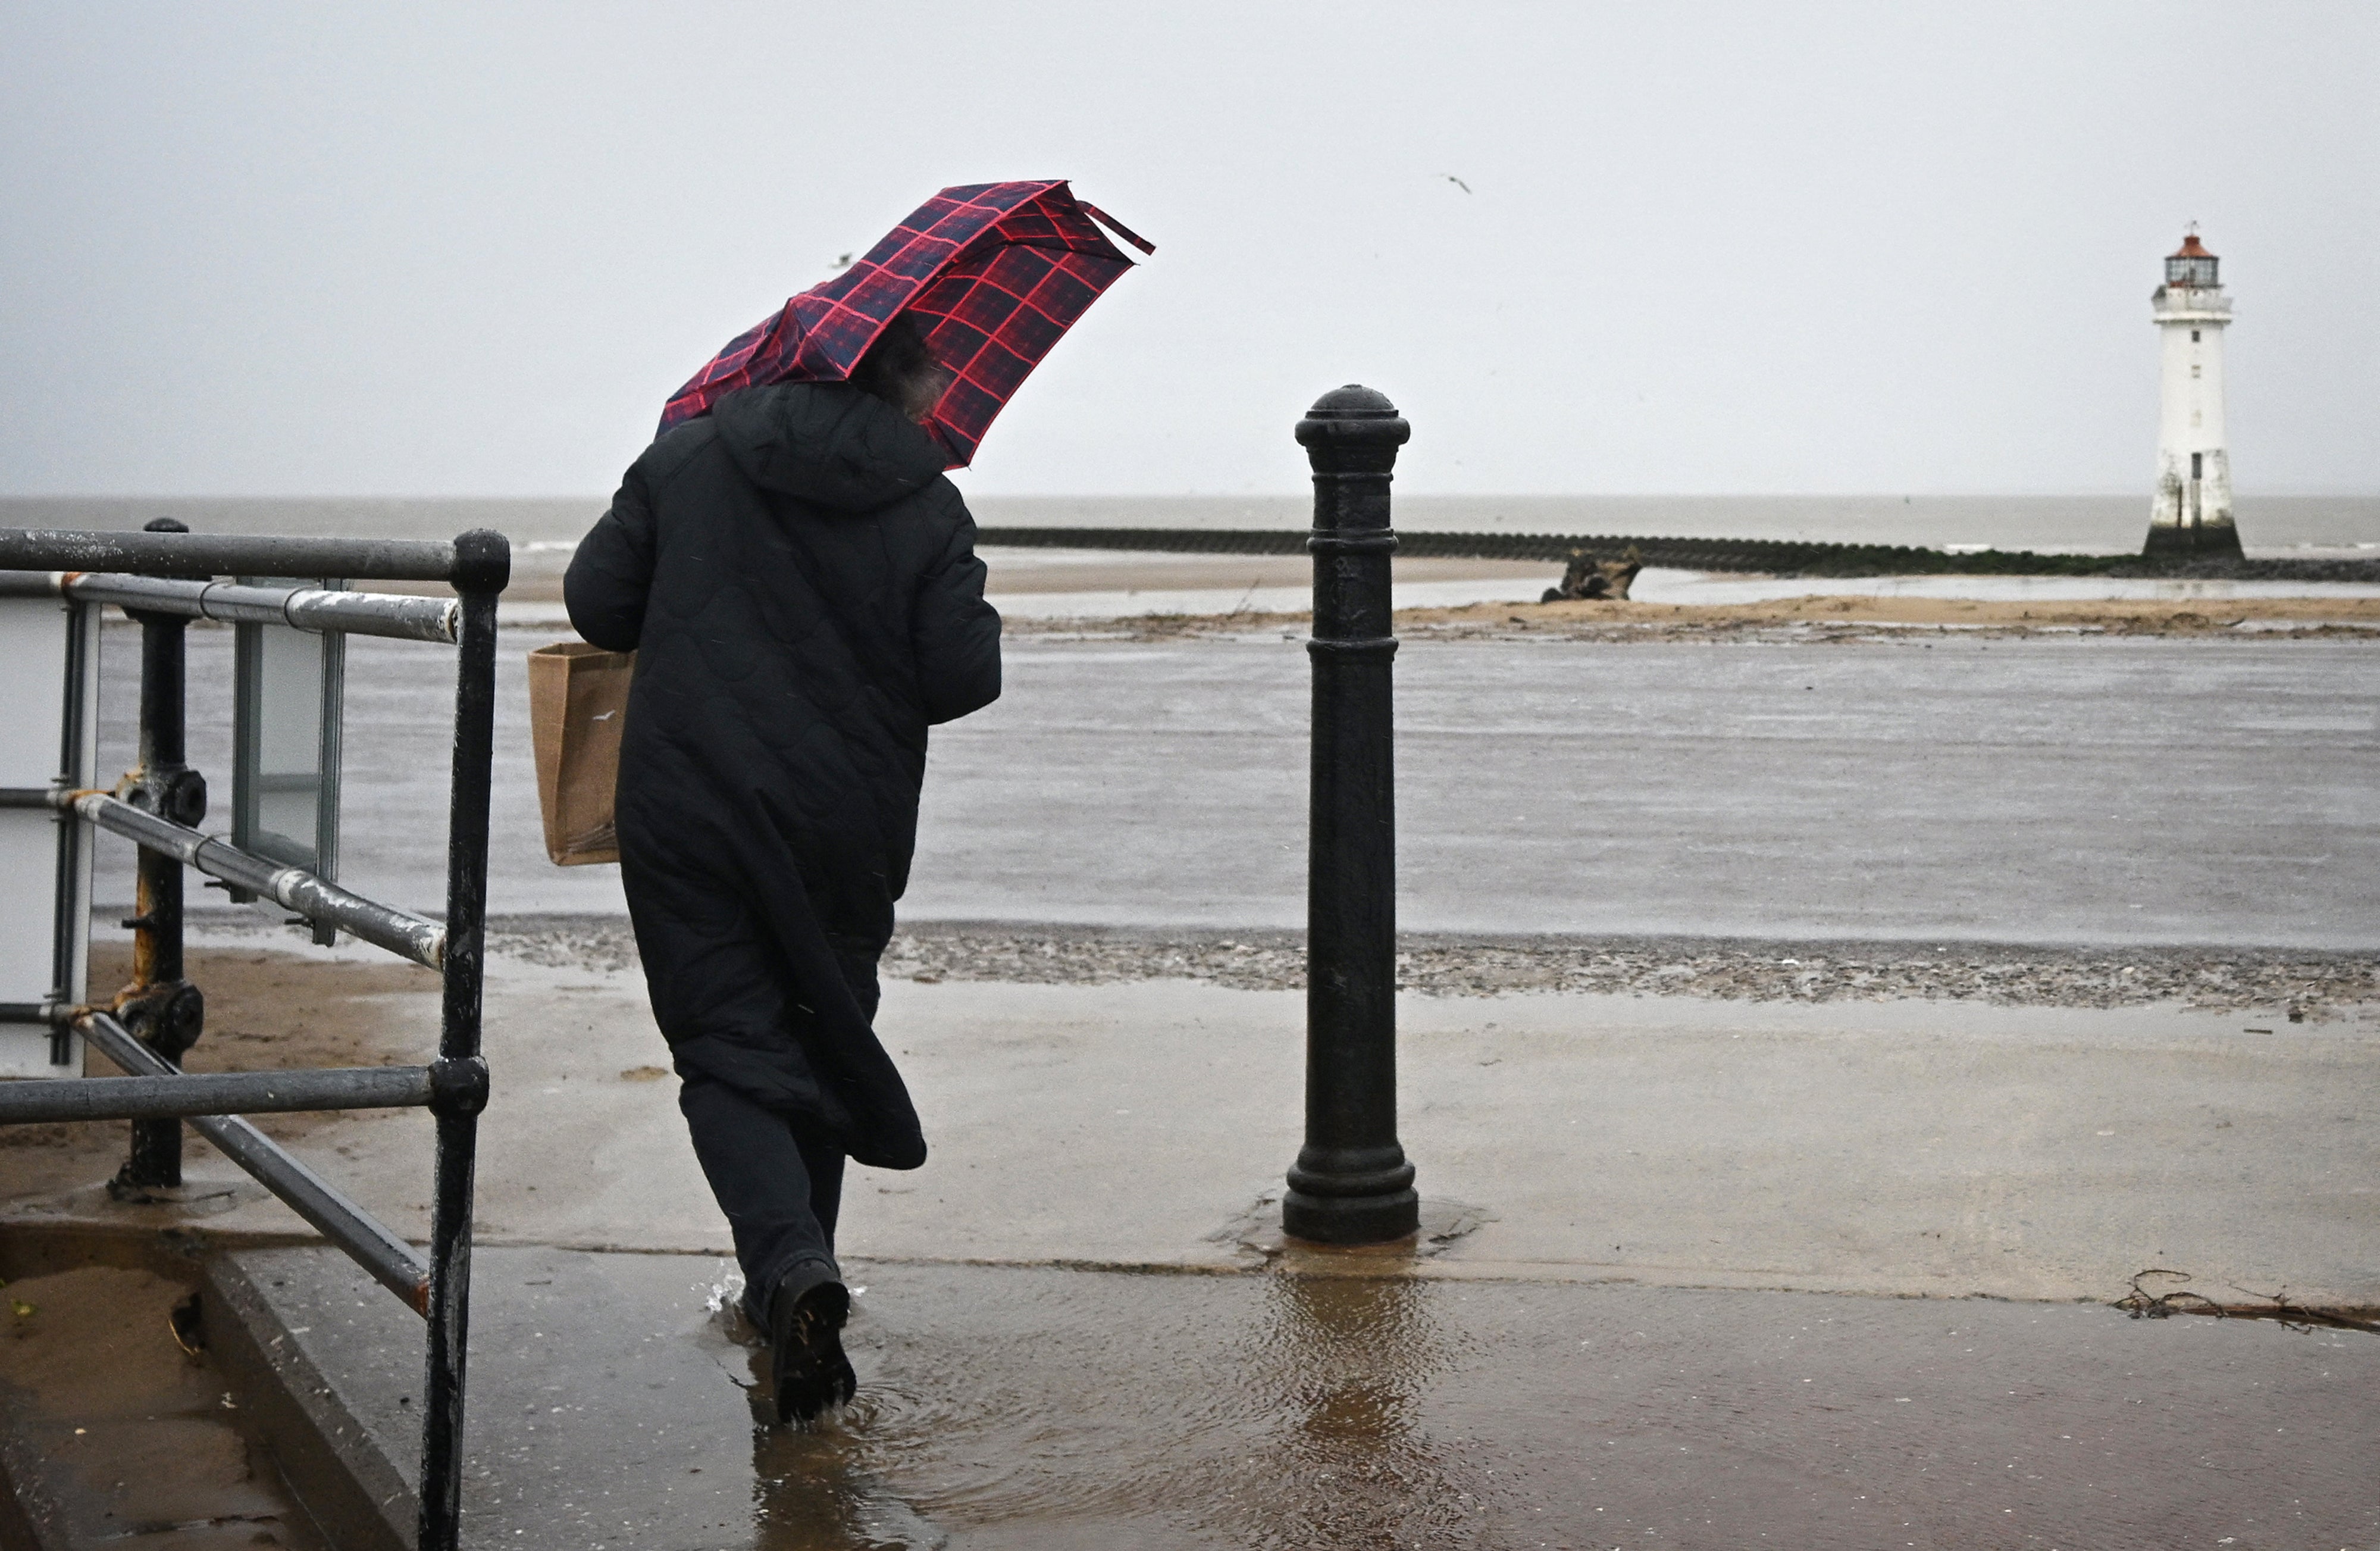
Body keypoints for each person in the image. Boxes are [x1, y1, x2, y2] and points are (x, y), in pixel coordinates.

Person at [564, 315, 1001, 1422]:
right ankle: (803, 1279)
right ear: (911, 386)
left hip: (688, 805)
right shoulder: (928, 501)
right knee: (821, 1029)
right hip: (843, 822)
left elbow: (597, 603)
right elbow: (962, 676)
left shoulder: (687, 455)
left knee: (725, 1041)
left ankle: (792, 1276)